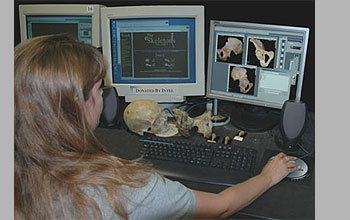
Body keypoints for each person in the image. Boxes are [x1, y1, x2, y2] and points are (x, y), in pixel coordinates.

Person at [14, 34, 298, 220]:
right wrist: (269, 176)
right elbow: (222, 206)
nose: (104, 96)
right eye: (100, 89)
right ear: (78, 103)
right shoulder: (124, 189)